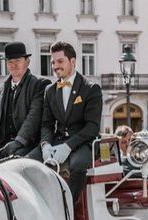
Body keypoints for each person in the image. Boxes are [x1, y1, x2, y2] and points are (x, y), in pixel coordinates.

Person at [29, 41, 103, 202]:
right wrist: (45, 145)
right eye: (53, 62)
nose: (55, 66)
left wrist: (68, 146)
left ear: (73, 61)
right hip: (58, 139)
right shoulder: (50, 90)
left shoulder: (91, 88)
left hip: (83, 142)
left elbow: (92, 127)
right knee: (27, 163)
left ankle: (69, 207)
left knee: (77, 166)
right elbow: (46, 124)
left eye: (60, 61)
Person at [0, 42, 50, 159]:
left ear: (27, 61)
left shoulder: (39, 84)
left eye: (18, 61)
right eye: (10, 62)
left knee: (11, 165)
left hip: (27, 144)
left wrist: (18, 141)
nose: (14, 65)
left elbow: (33, 118)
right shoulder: (2, 89)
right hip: (1, 145)